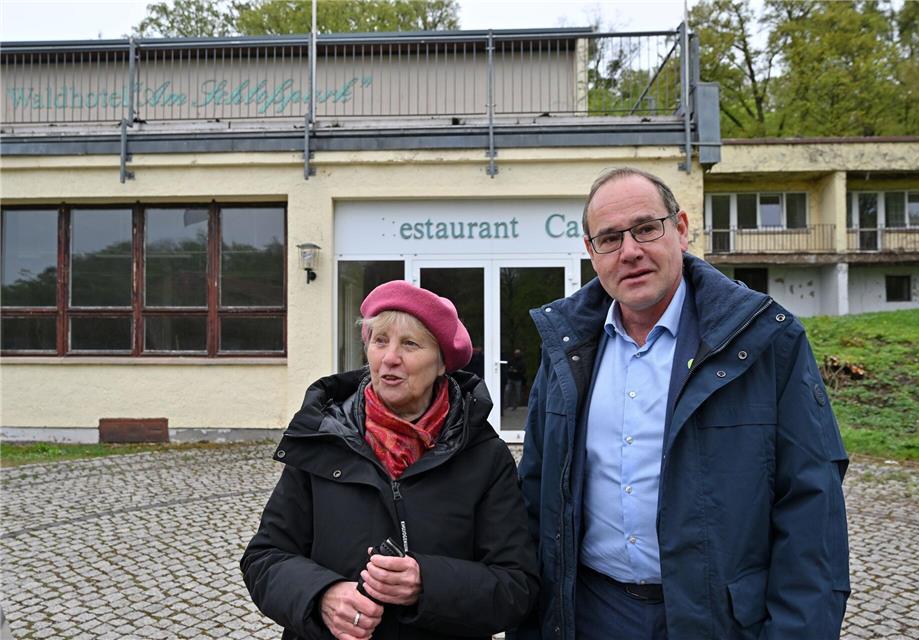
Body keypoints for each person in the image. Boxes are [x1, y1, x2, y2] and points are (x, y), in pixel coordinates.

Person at [512, 168, 850, 640]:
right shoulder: (565, 349)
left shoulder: (765, 340)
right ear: (591, 253)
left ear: (682, 229)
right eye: (609, 239)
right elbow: (536, 495)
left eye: (646, 228)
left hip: (717, 619)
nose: (630, 251)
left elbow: (811, 509)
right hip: (589, 613)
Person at [241, 280, 538, 640]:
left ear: (442, 362)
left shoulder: (484, 456)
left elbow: (515, 586)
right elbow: (265, 557)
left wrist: (427, 584)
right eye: (380, 341)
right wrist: (321, 596)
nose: (390, 358)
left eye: (410, 344)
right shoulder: (324, 438)